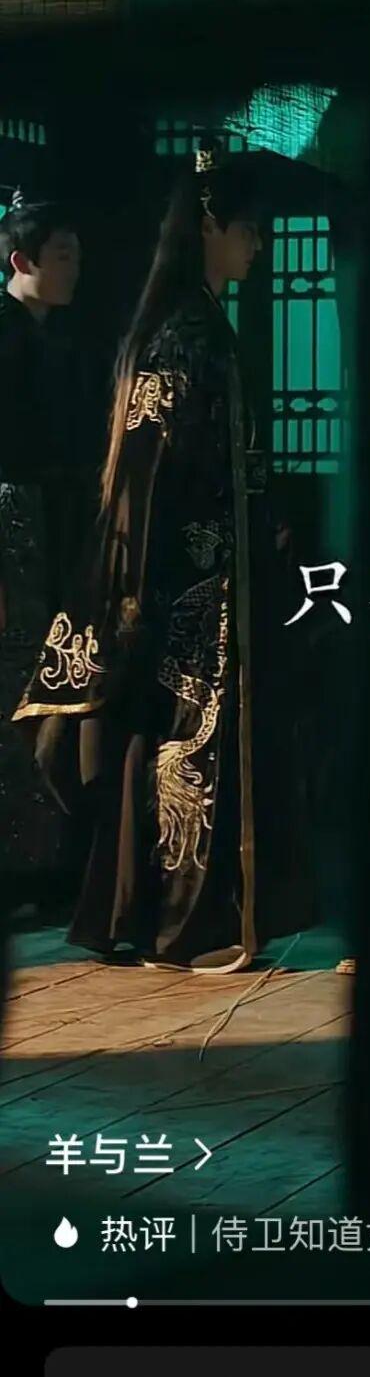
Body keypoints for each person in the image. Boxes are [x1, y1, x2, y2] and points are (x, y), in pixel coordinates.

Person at [14, 147, 294, 973]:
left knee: (175, 740)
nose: (257, 245)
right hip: (186, 576)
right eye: (247, 230)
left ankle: (163, 918)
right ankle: (180, 922)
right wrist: (144, 579)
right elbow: (146, 472)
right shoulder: (183, 334)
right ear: (209, 225)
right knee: (183, 743)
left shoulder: (196, 323)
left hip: (207, 571)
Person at [0, 195, 94, 912]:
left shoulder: (55, 340)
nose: (74, 268)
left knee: (42, 691)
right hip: (10, 525)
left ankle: (42, 865)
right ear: (21, 260)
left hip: (47, 527)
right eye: (61, 255)